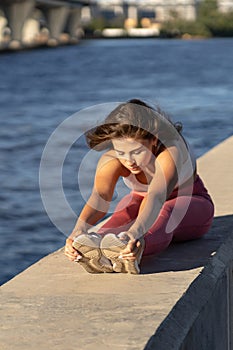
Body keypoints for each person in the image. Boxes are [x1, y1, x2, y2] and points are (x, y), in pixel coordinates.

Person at [64, 99, 214, 274]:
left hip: (191, 204)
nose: (129, 161)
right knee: (124, 210)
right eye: (121, 152)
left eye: (137, 152)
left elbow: (157, 196)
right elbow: (100, 197)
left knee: (166, 211)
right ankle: (99, 251)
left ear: (154, 140)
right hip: (144, 202)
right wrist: (79, 230)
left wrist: (135, 233)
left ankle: (136, 248)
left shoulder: (171, 152)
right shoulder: (112, 160)